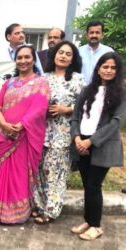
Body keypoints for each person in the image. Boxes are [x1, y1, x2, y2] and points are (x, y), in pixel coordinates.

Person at [0, 45, 49, 224]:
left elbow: (40, 108)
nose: (23, 61)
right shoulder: (8, 83)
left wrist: (21, 125)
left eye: (26, 57)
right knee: (5, 172)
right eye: (19, 58)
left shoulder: (41, 83)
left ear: (33, 59)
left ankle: (18, 213)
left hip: (25, 136)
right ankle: (1, 212)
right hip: (7, 135)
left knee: (20, 174)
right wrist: (4, 124)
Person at [70, 52, 126, 240]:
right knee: (87, 184)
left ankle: (96, 225)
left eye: (113, 67)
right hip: (82, 141)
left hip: (102, 144)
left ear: (117, 71)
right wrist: (77, 136)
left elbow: (116, 122)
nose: (108, 70)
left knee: (94, 184)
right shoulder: (87, 90)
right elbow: (76, 115)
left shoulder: (122, 93)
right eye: (105, 66)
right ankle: (88, 220)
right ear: (98, 68)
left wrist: (91, 141)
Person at [33, 41, 85, 224]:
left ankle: (52, 210)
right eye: (60, 52)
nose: (63, 56)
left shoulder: (78, 79)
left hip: (63, 134)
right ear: (54, 55)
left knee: (56, 173)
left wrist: (66, 109)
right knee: (39, 171)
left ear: (72, 59)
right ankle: (39, 206)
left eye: (68, 54)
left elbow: (85, 106)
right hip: (41, 132)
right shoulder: (43, 78)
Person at [79, 21, 114, 85]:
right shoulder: (79, 51)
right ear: (86, 35)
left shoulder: (109, 52)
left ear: (102, 35)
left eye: (97, 33)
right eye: (91, 33)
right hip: (80, 90)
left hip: (101, 91)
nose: (94, 35)